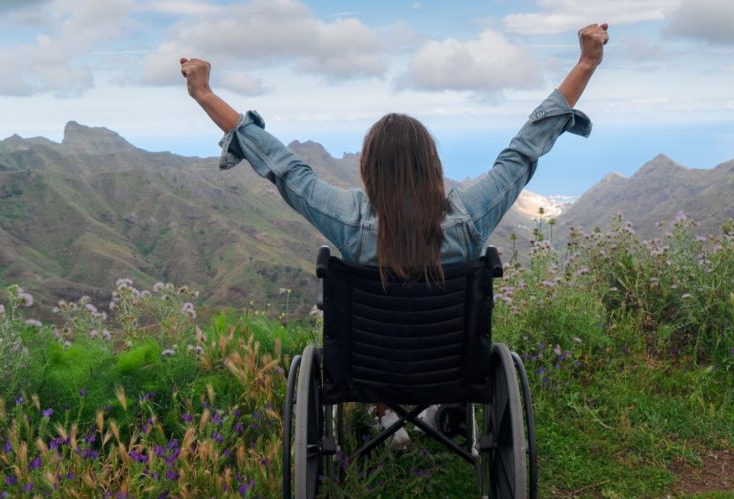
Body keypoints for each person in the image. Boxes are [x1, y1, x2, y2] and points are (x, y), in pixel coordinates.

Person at [181, 22, 609, 444]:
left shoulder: (349, 223)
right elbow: (523, 152)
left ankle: (386, 416)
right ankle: (434, 409)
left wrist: (204, 94)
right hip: (450, 369)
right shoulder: (468, 218)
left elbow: (282, 168)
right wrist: (586, 63)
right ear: (431, 164)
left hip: (368, 371)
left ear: (370, 168)